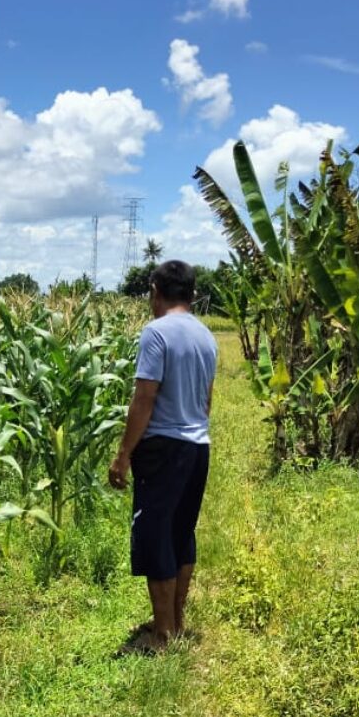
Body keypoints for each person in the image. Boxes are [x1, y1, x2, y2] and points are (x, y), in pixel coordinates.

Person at [108, 260, 217, 652]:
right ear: (190, 293)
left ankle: (162, 635)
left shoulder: (156, 333)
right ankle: (174, 621)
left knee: (155, 536)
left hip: (163, 448)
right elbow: (206, 401)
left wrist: (123, 455)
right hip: (197, 446)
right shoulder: (208, 337)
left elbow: (144, 398)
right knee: (181, 533)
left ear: (156, 290)